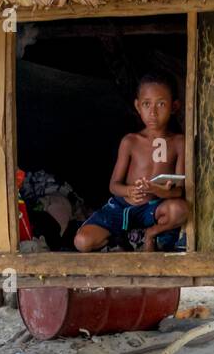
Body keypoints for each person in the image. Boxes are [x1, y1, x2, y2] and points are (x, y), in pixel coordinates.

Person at [74, 72, 188, 254]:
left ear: (174, 106)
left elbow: (180, 190)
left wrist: (160, 191)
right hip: (123, 207)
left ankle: (149, 234)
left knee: (180, 209)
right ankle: (120, 240)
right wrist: (129, 191)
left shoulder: (179, 142)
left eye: (161, 104)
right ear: (137, 106)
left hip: (154, 209)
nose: (153, 112)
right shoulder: (130, 141)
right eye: (146, 104)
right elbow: (114, 185)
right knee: (82, 241)